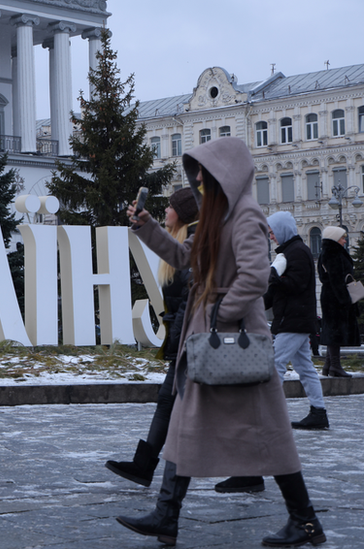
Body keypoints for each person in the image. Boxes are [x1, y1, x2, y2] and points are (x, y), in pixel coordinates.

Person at [121, 137, 326, 547]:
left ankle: (305, 521)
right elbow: (183, 258)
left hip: (234, 343)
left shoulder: (245, 215)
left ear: (224, 175)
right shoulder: (218, 217)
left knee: (269, 431)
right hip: (211, 342)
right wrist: (146, 226)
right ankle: (167, 514)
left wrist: (220, 315)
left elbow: (255, 276)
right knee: (182, 423)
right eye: (196, 176)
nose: (198, 183)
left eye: (203, 176)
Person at [215, 211, 329, 494]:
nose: (270, 234)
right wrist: (254, 302)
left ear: (283, 229)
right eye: (269, 231)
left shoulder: (298, 252)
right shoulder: (288, 251)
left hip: (295, 320)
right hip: (294, 319)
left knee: (273, 363)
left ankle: (265, 412)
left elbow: (297, 285)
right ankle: (318, 411)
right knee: (304, 368)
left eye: (273, 230)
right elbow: (274, 290)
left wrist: (275, 282)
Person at [105, 187, 197, 487]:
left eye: (170, 207)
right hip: (185, 338)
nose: (166, 212)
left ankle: (154, 480)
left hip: (192, 341)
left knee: (181, 406)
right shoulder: (182, 241)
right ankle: (144, 467)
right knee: (168, 403)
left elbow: (190, 301)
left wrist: (178, 342)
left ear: (182, 213)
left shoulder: (194, 242)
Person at [317, 226, 358, 378]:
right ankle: (335, 365)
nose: (345, 240)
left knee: (332, 329)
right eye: (342, 237)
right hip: (335, 297)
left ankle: (329, 365)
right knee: (335, 330)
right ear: (334, 238)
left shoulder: (328, 252)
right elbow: (336, 279)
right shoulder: (333, 253)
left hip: (331, 296)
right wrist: (345, 299)